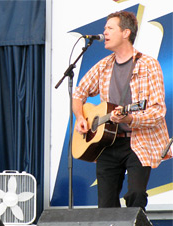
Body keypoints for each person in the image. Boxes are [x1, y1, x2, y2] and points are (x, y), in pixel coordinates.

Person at [72, 11, 172, 210]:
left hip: (139, 141)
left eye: (109, 28)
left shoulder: (148, 65)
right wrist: (80, 117)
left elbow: (158, 111)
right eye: (105, 28)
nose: (104, 32)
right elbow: (79, 93)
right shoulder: (104, 65)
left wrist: (130, 118)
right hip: (107, 144)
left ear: (126, 33)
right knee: (106, 205)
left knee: (135, 195)